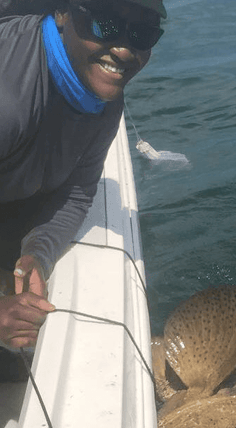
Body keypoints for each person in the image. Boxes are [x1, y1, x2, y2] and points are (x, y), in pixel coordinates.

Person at [0, 0, 166, 380]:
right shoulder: (7, 100)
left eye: (142, 34)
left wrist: (37, 256)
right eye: (106, 25)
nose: (124, 49)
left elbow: (76, 192)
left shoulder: (103, 98)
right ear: (62, 14)